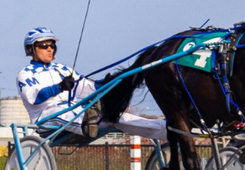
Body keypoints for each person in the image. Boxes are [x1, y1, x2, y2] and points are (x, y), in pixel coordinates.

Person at [17, 27, 167, 140]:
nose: (50, 49)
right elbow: (35, 98)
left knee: (117, 117)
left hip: (77, 109)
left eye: (52, 46)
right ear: (31, 49)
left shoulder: (62, 69)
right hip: (46, 117)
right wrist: (60, 87)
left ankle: (166, 129)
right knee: (66, 112)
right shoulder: (25, 74)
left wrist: (105, 83)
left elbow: (85, 87)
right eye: (44, 46)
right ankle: (87, 124)